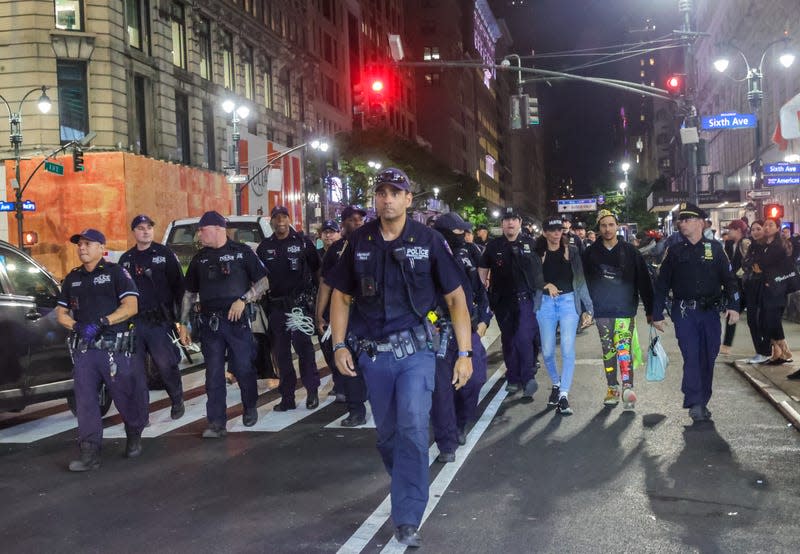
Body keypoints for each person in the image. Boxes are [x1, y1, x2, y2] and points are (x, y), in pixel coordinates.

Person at [328, 168, 473, 548]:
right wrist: (339, 344)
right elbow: (342, 297)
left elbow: (457, 299)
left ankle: (407, 517)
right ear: (375, 198)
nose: (387, 198)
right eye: (382, 192)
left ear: (410, 199)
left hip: (418, 354)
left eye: (396, 192)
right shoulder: (358, 241)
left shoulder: (429, 241)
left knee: (411, 426)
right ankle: (408, 477)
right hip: (375, 357)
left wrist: (465, 353)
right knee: (388, 436)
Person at [56, 228, 147, 471]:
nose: (82, 248)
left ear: (100, 247)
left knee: (123, 394)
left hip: (112, 348)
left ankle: (134, 430)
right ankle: (89, 451)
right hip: (85, 348)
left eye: (87, 244)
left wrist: (103, 322)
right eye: (79, 244)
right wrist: (76, 325)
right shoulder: (72, 278)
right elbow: (61, 313)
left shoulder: (116, 273)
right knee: (85, 399)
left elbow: (131, 306)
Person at [178, 211, 270, 437]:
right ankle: (216, 422)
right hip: (211, 325)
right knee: (214, 374)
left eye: (202, 229)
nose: (199, 234)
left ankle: (249, 407)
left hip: (237, 322)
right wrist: (183, 324)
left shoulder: (242, 252)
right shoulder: (200, 259)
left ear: (218, 229)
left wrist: (244, 299)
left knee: (243, 368)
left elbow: (264, 281)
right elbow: (189, 293)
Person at [652, 202, 739, 422]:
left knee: (708, 356)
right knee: (691, 356)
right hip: (684, 312)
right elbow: (662, 283)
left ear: (700, 222)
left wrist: (734, 305)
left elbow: (730, 280)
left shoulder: (715, 249)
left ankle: (702, 398)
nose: (682, 223)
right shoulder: (674, 251)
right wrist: (657, 313)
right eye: (681, 220)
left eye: (687, 219)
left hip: (710, 313)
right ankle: (695, 401)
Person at [431, 213, 491, 463]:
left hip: (470, 328)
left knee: (475, 379)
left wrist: (484, 320)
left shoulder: (468, 254)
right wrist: (433, 323)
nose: (463, 237)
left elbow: (480, 290)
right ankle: (447, 442)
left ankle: (462, 421)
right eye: (458, 233)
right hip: (441, 330)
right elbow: (421, 302)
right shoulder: (428, 259)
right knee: (442, 388)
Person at [582, 210, 653, 411]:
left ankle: (627, 388)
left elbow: (644, 281)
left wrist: (650, 310)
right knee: (608, 351)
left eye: (611, 224)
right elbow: (584, 282)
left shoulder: (630, 251)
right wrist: (585, 309)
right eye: (603, 225)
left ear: (617, 226)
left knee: (623, 350)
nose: (607, 229)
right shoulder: (590, 253)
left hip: (624, 310)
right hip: (602, 311)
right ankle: (612, 388)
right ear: (599, 228)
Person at [119, 215, 185, 419]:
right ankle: (142, 413)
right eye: (140, 228)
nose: (145, 231)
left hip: (158, 321)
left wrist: (181, 320)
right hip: (134, 322)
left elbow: (179, 287)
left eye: (149, 227)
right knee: (136, 371)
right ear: (134, 232)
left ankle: (177, 399)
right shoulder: (126, 259)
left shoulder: (164, 254)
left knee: (166, 365)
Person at [257, 206, 322, 411]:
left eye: (284, 217)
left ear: (289, 219)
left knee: (304, 350)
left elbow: (317, 271)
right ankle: (287, 397)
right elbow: (259, 278)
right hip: (276, 308)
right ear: (272, 222)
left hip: (300, 307)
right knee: (282, 355)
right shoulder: (264, 247)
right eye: (276, 218)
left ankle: (312, 392)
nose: (280, 221)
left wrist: (319, 301)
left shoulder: (303, 243)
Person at [478, 208, 543, 399]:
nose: (510, 223)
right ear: (502, 224)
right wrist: (482, 293)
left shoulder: (531, 243)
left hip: (526, 300)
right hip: (503, 301)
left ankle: (528, 377)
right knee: (508, 340)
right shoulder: (493, 245)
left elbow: (540, 269)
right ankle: (513, 378)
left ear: (520, 222)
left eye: (514, 219)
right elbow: (483, 268)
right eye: (506, 220)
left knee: (524, 337)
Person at [535, 217, 594, 415]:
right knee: (548, 351)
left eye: (559, 229)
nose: (556, 233)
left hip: (569, 302)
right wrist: (545, 284)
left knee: (568, 349)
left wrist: (588, 308)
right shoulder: (538, 252)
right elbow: (528, 277)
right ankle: (556, 383)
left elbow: (580, 279)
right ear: (544, 232)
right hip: (545, 304)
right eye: (551, 230)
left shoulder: (573, 250)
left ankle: (564, 395)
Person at [316, 205, 369, 425]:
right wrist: (319, 314)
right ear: (343, 222)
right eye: (352, 219)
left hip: (371, 311)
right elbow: (326, 284)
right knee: (348, 357)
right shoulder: (336, 249)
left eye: (360, 219)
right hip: (345, 311)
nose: (357, 223)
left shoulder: (375, 243)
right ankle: (356, 410)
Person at [752, 216, 794, 365]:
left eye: (771, 225)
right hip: (767, 288)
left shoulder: (778, 246)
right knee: (770, 321)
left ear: (777, 228)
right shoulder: (764, 245)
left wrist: (761, 269)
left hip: (777, 289)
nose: (767, 228)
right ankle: (781, 353)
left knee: (770, 321)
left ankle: (769, 352)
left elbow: (763, 264)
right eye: (765, 225)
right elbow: (757, 264)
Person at [741, 220, 771, 364]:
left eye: (758, 229)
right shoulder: (751, 247)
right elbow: (746, 264)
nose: (755, 232)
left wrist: (758, 271)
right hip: (751, 288)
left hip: (765, 288)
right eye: (752, 230)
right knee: (752, 320)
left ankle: (765, 352)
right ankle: (760, 352)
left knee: (762, 321)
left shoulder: (769, 247)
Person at [720, 219, 751, 356]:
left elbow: (750, 263)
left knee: (753, 318)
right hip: (738, 285)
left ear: (738, 230)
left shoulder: (745, 243)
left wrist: (737, 274)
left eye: (731, 229)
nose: (728, 231)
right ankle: (726, 345)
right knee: (732, 312)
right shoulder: (733, 244)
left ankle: (774, 345)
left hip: (745, 286)